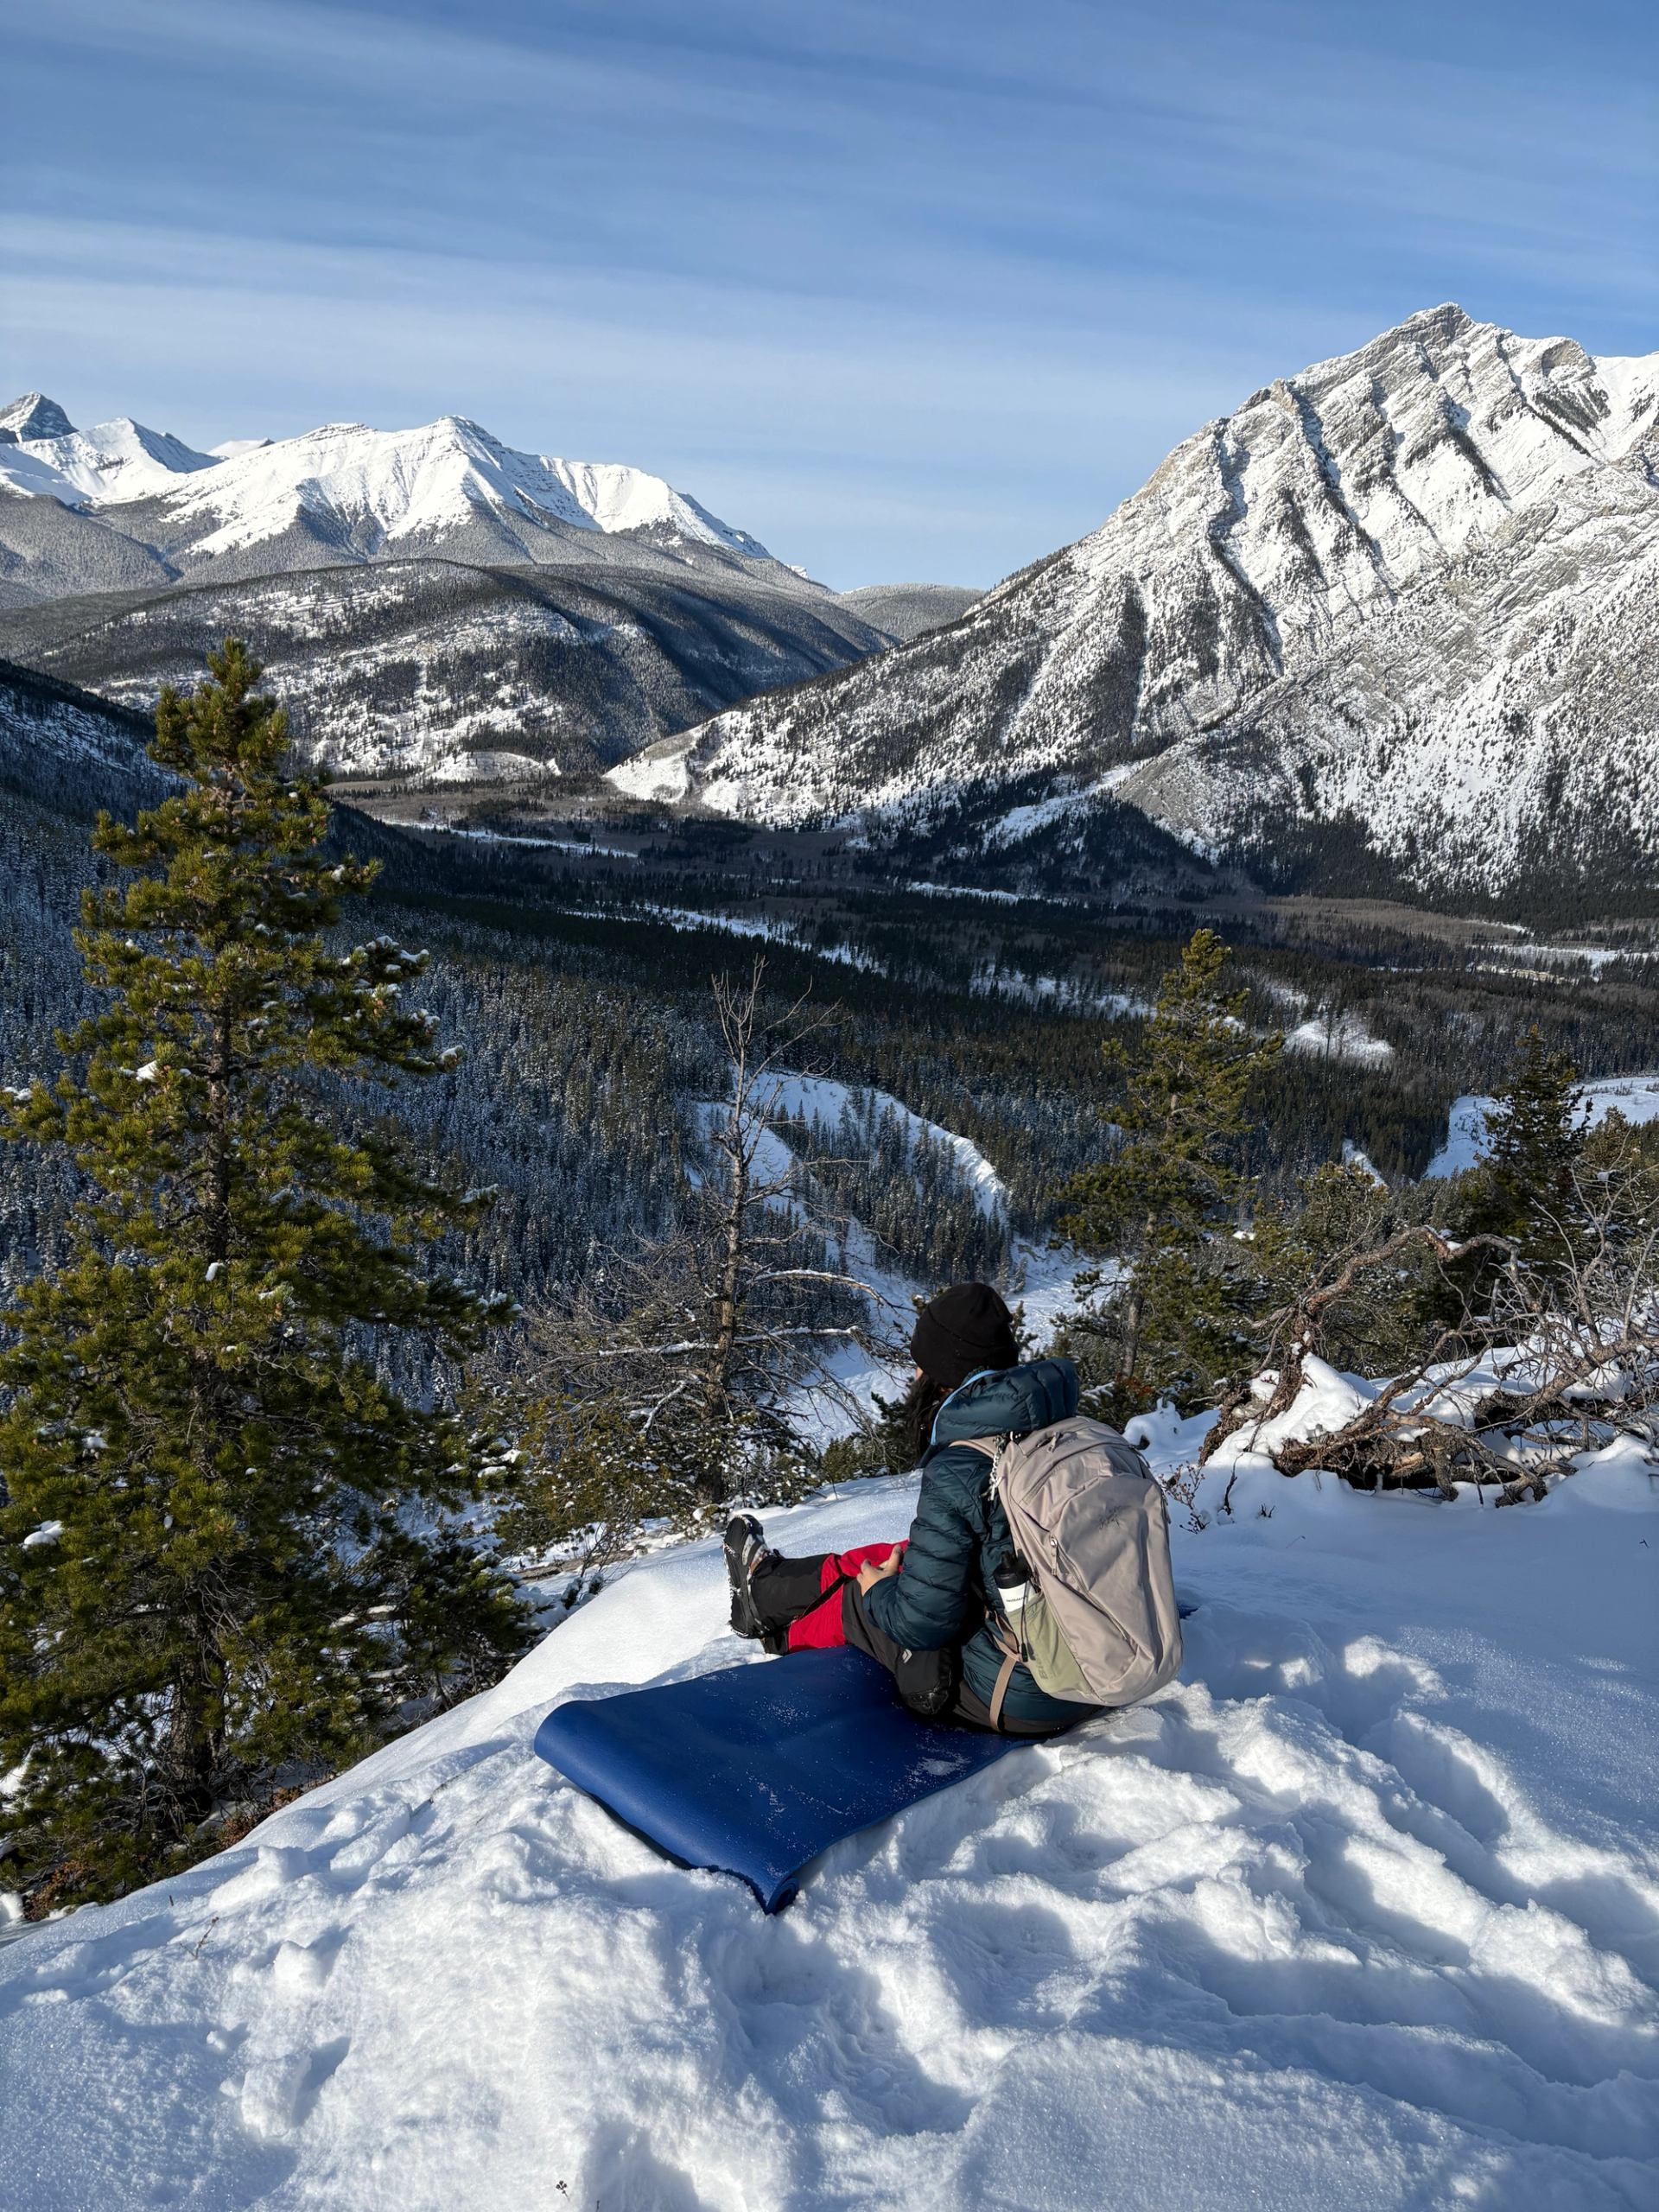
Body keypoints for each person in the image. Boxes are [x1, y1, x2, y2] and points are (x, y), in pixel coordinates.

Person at [724, 1281, 1093, 1736]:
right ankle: (768, 1592)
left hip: (1027, 1691)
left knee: (862, 1595)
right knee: (905, 1551)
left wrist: (878, 1591)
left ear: (945, 1374)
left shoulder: (968, 1460)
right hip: (1096, 1657)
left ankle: (777, 1630)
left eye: (921, 1367)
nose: (914, 1378)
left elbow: (920, 1623)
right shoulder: (1069, 1430)